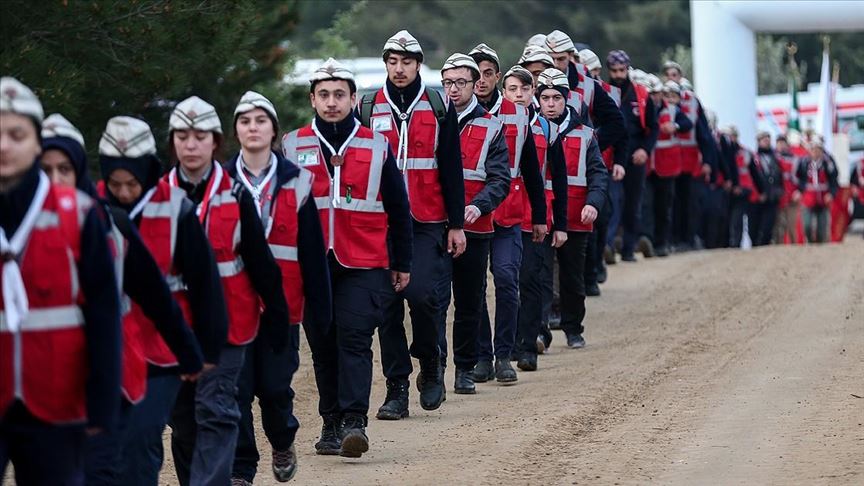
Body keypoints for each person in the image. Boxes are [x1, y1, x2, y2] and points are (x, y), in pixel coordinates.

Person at [40, 114, 204, 486]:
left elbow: (154, 294)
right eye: (43, 168)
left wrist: (190, 350)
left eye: (64, 168)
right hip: (37, 381)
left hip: (111, 374)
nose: (54, 180)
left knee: (115, 465)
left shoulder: (109, 224)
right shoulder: (11, 229)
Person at [163, 96, 295, 485]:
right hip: (174, 330)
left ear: (215, 142)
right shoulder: (156, 198)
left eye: (199, 136)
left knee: (217, 411)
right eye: (182, 136)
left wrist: (277, 317)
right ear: (172, 142)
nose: (191, 144)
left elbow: (261, 264)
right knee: (184, 422)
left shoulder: (235, 196)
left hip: (229, 326)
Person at [283, 58, 411, 457]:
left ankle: (355, 421)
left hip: (365, 261)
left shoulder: (376, 144)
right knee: (322, 345)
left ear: (354, 98)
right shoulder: (292, 144)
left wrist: (402, 262)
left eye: (340, 95)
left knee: (354, 339)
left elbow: (398, 206)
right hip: (313, 264)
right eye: (324, 95)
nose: (332, 102)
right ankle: (331, 422)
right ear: (312, 100)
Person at [0, 76, 121, 486]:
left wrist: (102, 400)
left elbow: (103, 311)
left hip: (54, 401)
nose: (4, 146)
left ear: (37, 143)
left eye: (16, 135)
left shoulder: (79, 212)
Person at [97, 115, 227, 485]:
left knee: (143, 439)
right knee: (108, 450)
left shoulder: (175, 209)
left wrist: (208, 349)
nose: (124, 192)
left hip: (163, 348)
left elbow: (205, 283)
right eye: (115, 184)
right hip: (109, 348)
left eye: (132, 183)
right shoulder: (89, 206)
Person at [223, 90, 330, 482]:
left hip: (282, 306)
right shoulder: (221, 181)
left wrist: (322, 307)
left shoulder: (297, 181)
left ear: (273, 130)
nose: (253, 128)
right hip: (233, 305)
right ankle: (241, 466)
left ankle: (283, 440)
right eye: (245, 121)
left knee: (273, 388)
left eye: (260, 121)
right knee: (236, 390)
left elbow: (312, 252)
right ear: (236, 131)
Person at [356, 31, 463, 420]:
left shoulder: (437, 104)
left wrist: (456, 223)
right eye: (392, 62)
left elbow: (451, 167)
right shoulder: (368, 105)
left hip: (427, 219)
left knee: (422, 296)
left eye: (406, 62)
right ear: (386, 64)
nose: (399, 70)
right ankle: (396, 388)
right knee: (386, 305)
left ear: (418, 65)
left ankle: (431, 361)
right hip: (380, 222)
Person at [519, 68, 607, 370]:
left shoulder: (585, 134)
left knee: (572, 277)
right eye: (545, 98)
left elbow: (598, 174)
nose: (551, 103)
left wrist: (594, 203)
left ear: (566, 100)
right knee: (539, 277)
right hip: (541, 217)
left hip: (575, 217)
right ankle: (540, 332)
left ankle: (573, 328)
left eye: (556, 98)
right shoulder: (533, 130)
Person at [469, 45, 546, 384]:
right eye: (477, 74)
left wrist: (540, 216)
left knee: (505, 279)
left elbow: (531, 167)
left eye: (488, 73)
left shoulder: (516, 113)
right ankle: (482, 356)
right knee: (472, 289)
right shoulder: (456, 112)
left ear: (498, 78)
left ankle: (504, 355)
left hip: (508, 212)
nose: (482, 80)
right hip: (472, 214)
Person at [435, 52, 510, 394]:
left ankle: (465, 368)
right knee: (433, 301)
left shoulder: (492, 126)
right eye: (448, 83)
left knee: (469, 300)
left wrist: (478, 207)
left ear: (475, 84)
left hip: (475, 227)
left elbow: (500, 180)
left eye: (461, 82)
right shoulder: (430, 120)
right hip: (433, 225)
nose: (454, 89)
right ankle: (434, 366)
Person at [502, 66, 569, 365]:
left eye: (525, 90)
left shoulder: (546, 128)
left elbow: (561, 179)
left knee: (530, 280)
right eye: (513, 89)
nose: (518, 95)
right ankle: (507, 345)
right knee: (506, 281)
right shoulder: (495, 122)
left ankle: (529, 346)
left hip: (535, 218)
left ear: (534, 94)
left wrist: (560, 223)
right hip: (503, 214)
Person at [605, 51, 658, 262]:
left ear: (628, 69)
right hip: (611, 154)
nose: (618, 74)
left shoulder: (642, 95)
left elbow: (653, 127)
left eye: (622, 70)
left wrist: (645, 150)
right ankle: (607, 246)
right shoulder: (603, 91)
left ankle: (628, 248)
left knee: (633, 203)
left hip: (635, 155)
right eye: (615, 71)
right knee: (612, 201)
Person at [648, 81, 692, 256]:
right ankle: (650, 240)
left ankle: (663, 242)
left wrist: (675, 126)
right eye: (664, 94)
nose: (666, 98)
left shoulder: (673, 111)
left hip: (667, 167)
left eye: (670, 95)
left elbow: (687, 123)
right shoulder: (649, 108)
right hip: (650, 166)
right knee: (649, 205)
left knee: (665, 206)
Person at [794, 137, 839, 243]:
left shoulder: (828, 163)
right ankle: (809, 241)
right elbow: (798, 179)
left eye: (818, 149)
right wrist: (799, 191)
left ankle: (820, 245)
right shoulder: (804, 163)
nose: (815, 152)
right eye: (813, 149)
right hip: (808, 198)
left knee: (822, 228)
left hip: (823, 199)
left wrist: (831, 194)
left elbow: (834, 180)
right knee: (807, 225)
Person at [726, 126, 759, 248]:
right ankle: (731, 242)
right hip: (731, 188)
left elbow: (754, 173)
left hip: (743, 189)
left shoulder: (743, 152)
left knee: (737, 218)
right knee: (731, 217)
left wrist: (760, 190)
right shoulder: (727, 150)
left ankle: (736, 243)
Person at [749, 132, 784, 246]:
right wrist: (759, 193)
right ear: (759, 142)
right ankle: (755, 245)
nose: (767, 142)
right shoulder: (754, 158)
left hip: (772, 196)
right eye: (764, 140)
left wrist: (779, 190)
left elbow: (780, 176)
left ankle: (765, 245)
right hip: (758, 197)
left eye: (768, 140)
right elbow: (752, 177)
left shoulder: (775, 158)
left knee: (768, 225)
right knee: (755, 224)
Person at [773, 135, 801, 244]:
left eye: (782, 143)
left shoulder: (795, 159)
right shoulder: (773, 158)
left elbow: (801, 177)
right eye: (778, 143)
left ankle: (794, 247)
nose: (780, 145)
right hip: (779, 195)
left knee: (791, 225)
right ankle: (778, 246)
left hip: (792, 195)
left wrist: (798, 191)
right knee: (779, 224)